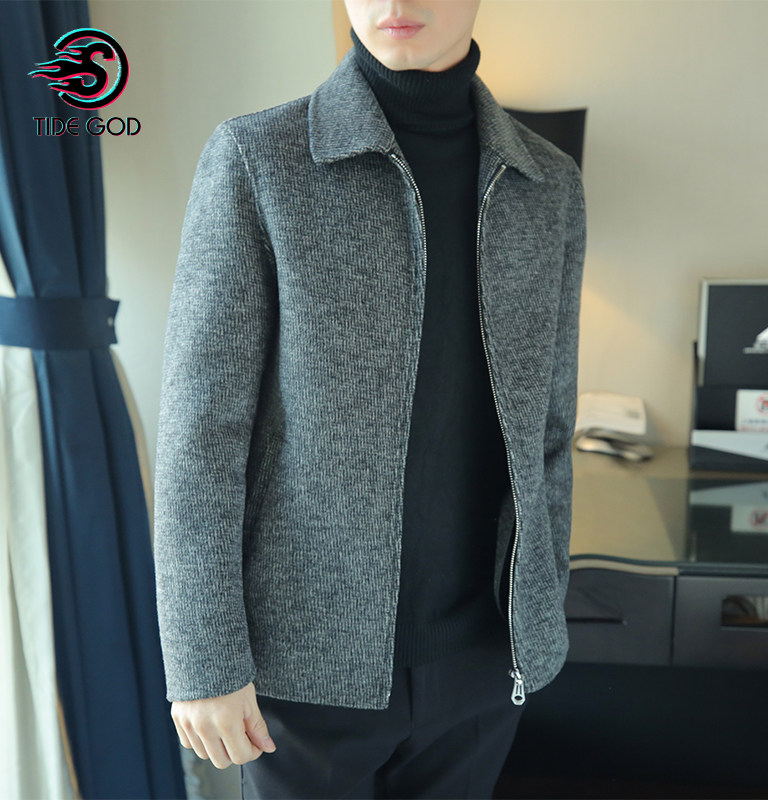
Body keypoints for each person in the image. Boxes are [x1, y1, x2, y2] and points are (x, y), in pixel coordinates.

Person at [153, 0, 586, 797]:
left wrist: (541, 612)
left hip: (484, 665)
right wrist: (203, 658)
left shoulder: (548, 183)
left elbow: (550, 430)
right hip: (304, 671)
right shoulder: (259, 158)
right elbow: (200, 435)